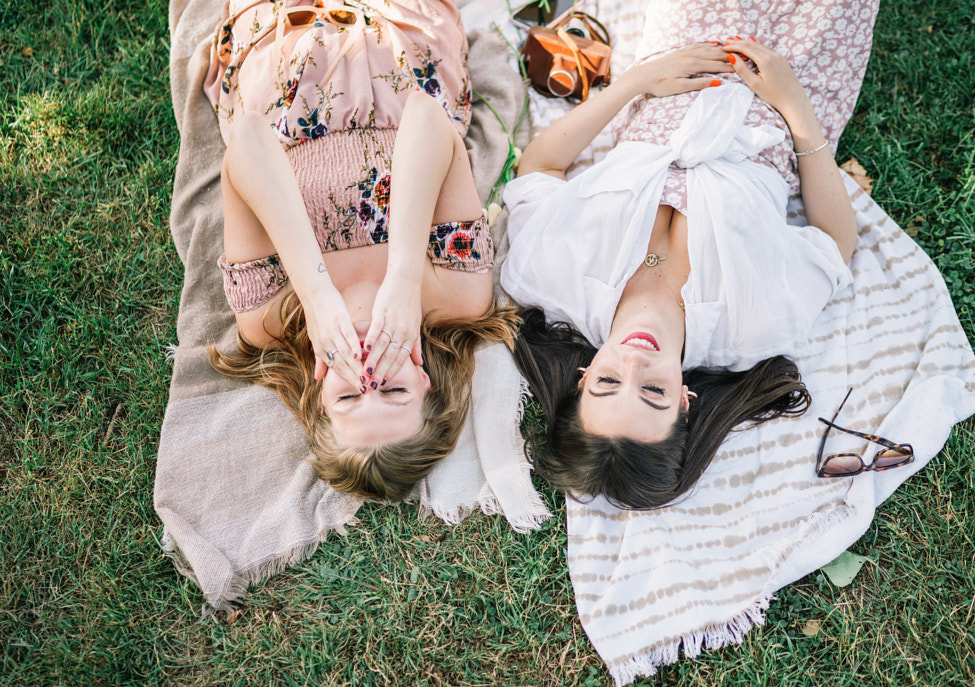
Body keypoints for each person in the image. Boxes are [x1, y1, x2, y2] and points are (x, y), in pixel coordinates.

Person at [503, 0, 877, 509]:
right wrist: (796, 107)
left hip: (681, 61)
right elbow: (835, 242)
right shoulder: (754, 329)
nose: (635, 362)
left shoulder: (545, 275)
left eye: (609, 382)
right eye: (653, 392)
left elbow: (540, 167)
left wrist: (636, 81)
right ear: (684, 400)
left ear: (582, 380)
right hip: (793, 90)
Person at [203, 0, 518, 501]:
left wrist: (315, 294)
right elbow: (426, 116)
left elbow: (247, 139)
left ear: (319, 395)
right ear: (424, 381)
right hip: (400, 42)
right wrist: (405, 276)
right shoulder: (458, 297)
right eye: (393, 390)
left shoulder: (269, 320)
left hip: (283, 56)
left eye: (350, 395)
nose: (369, 372)